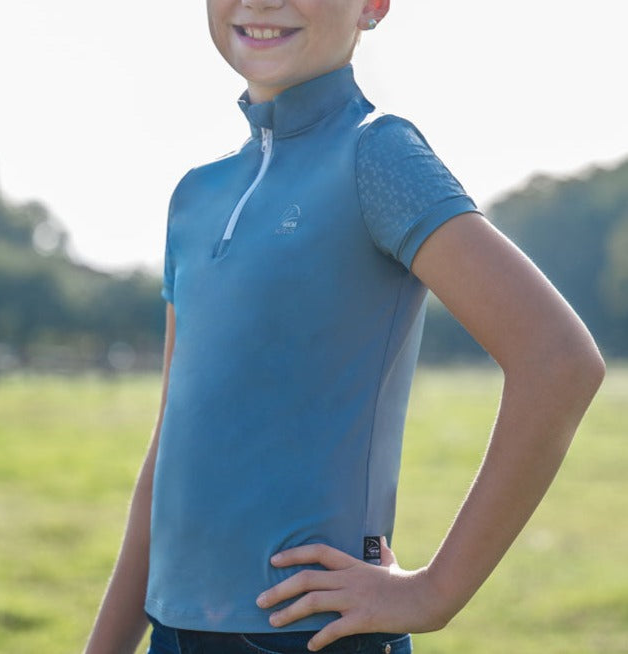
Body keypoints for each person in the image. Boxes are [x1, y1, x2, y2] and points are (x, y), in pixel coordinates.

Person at [85, 1, 606, 653]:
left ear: (372, 5)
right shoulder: (194, 196)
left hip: (309, 636)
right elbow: (172, 447)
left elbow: (558, 362)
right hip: (174, 633)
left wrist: (432, 593)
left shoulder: (377, 153)